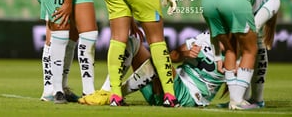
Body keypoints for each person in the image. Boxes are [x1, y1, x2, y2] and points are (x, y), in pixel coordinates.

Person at [79, 30, 226, 107]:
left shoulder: (239, 53)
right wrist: (185, 54)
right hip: (165, 83)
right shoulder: (207, 36)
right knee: (132, 42)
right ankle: (107, 90)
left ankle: (117, 93)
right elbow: (173, 55)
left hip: (189, 95)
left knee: (159, 60)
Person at [201, 0, 280, 110]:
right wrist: (238, 62)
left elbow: (215, 33)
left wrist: (218, 57)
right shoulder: (274, 0)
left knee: (230, 47)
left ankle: (234, 100)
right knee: (250, 50)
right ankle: (237, 101)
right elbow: (254, 27)